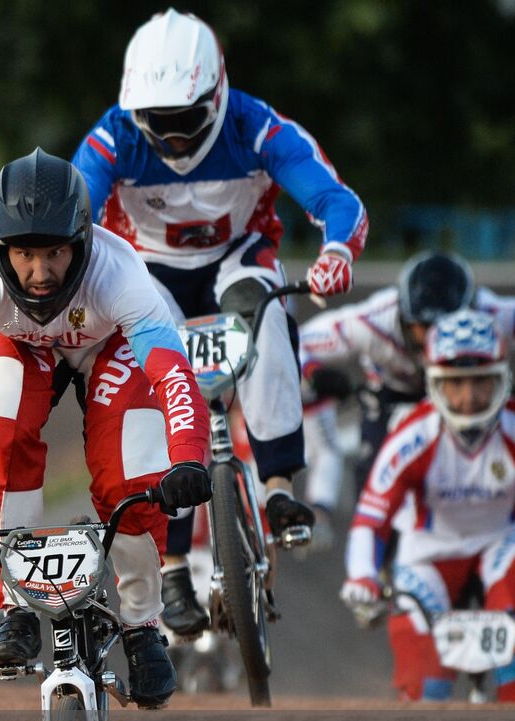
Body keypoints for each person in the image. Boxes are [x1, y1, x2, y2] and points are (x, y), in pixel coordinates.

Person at [0, 149, 213, 708]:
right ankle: (18, 606)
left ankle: (141, 624)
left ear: (81, 240)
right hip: (22, 346)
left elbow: (172, 375)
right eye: (24, 254)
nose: (39, 273)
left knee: (129, 463)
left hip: (111, 346)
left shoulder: (119, 273)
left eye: (55, 253)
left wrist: (188, 458)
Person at [70, 8, 368, 637]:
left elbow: (335, 199)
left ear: (218, 93)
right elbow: (76, 219)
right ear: (133, 111)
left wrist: (337, 250)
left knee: (264, 316)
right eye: (157, 124)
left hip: (238, 260)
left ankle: (280, 483)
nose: (172, 139)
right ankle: (173, 563)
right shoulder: (111, 136)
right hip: (148, 270)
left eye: (185, 121)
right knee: (153, 378)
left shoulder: (257, 126)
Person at [340, 311, 515, 702]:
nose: (468, 399)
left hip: (504, 543)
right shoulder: (409, 438)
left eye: (481, 383)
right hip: (427, 551)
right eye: (455, 385)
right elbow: (369, 521)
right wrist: (363, 577)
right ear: (433, 385)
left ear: (503, 380)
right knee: (423, 686)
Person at [299, 250, 515, 527]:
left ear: (473, 310)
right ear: (402, 316)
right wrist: (317, 373)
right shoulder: (370, 320)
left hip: (464, 402)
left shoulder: (493, 313)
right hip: (391, 400)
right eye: (424, 328)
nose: (437, 342)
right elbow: (296, 342)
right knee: (372, 492)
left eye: (449, 327)